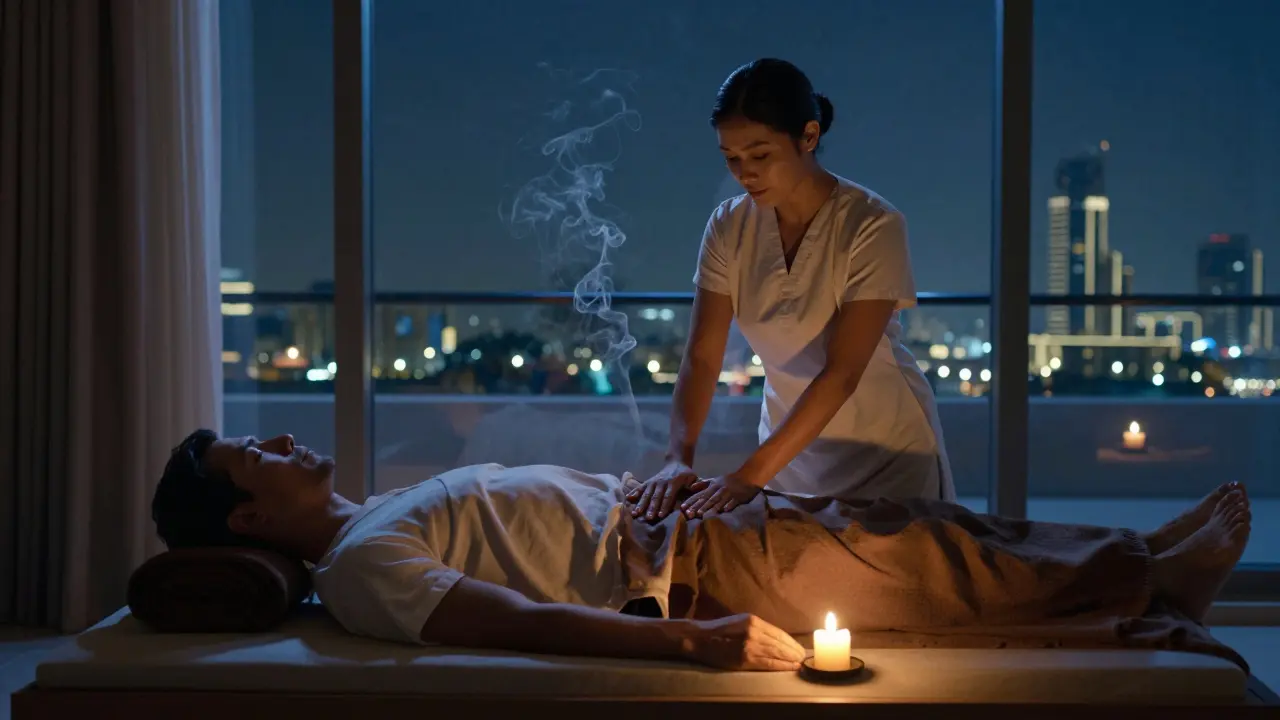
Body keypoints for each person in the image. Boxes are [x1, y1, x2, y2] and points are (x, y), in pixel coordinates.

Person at [151, 430, 1251, 673]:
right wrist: (687, 641)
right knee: (928, 567)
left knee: (920, 524)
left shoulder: (374, 512)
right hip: (694, 573)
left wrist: (644, 488)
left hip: (679, 525)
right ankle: (1154, 582)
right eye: (260, 458)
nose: (287, 442)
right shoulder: (358, 567)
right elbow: (499, 622)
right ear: (247, 522)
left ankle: (1137, 554)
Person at [630, 58, 953, 524]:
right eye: (732, 159)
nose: (746, 173)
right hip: (786, 456)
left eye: (760, 156)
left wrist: (747, 476)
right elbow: (703, 355)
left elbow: (841, 373)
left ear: (808, 136)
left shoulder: (872, 224)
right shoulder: (728, 226)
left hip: (885, 453)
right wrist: (678, 456)